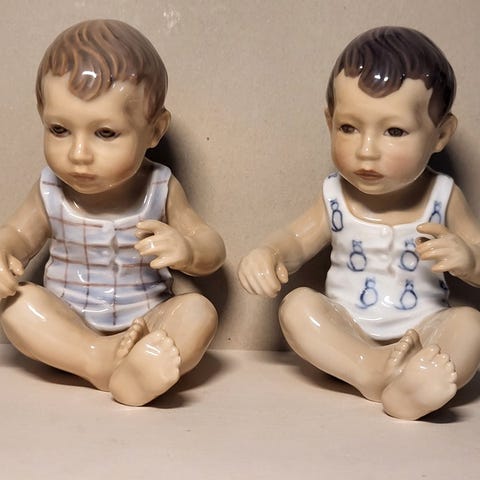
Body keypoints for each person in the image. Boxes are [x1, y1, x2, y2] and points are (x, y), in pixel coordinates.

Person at [238, 26, 480, 420]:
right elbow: (296, 239)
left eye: (394, 131)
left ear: (440, 135)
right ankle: (370, 370)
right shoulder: (335, 195)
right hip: (349, 328)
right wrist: (269, 253)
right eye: (348, 128)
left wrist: (469, 259)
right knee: (297, 307)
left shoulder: (444, 196)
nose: (366, 151)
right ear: (329, 121)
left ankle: (417, 380)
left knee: (471, 325)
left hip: (427, 331)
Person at [0, 19, 225, 406]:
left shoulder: (160, 187)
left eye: (105, 133)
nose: (79, 154)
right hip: (67, 323)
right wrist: (3, 252)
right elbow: (18, 235)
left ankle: (138, 364)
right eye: (59, 130)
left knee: (199, 312)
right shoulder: (49, 190)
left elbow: (211, 246)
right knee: (17, 306)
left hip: (147, 322)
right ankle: (98, 361)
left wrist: (188, 250)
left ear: (154, 130)